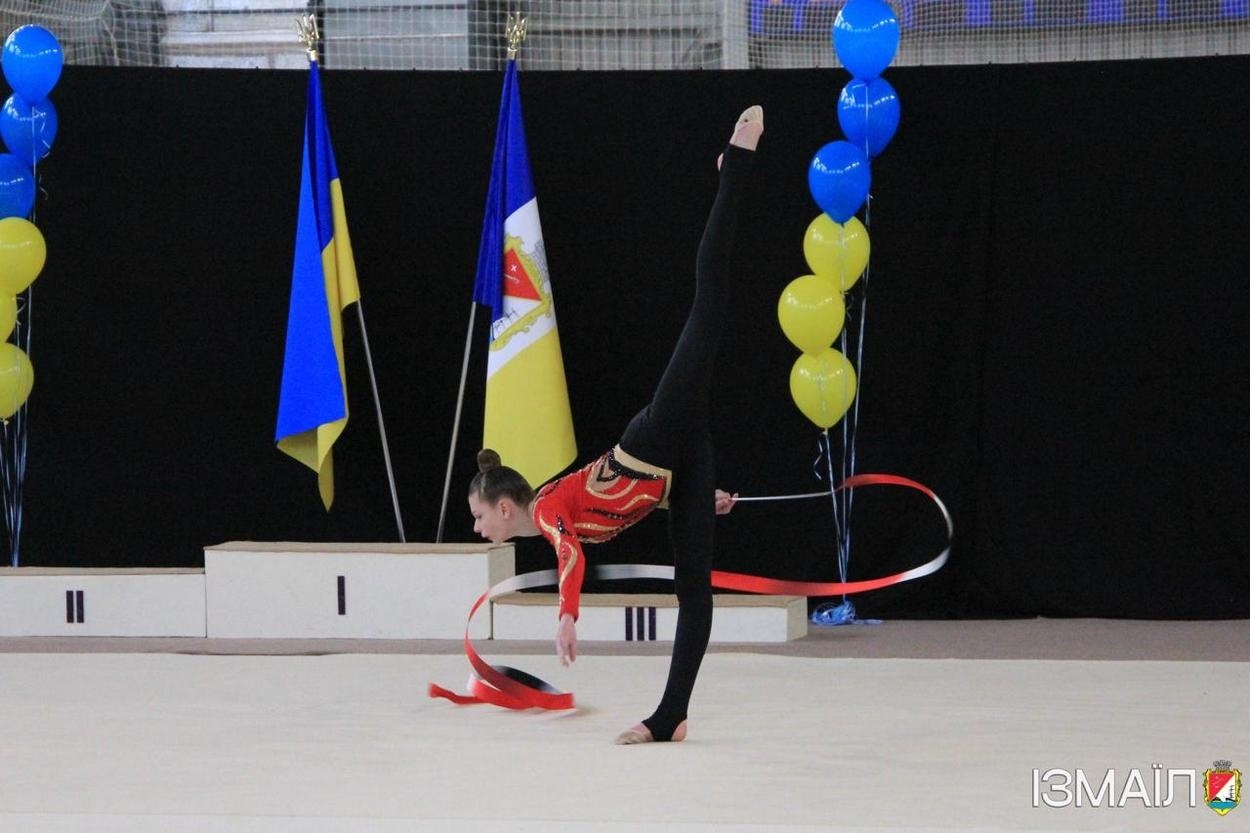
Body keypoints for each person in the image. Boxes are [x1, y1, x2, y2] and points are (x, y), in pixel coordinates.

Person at [467, 105, 764, 744]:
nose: (477, 525)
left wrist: (567, 616)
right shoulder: (554, 515)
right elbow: (618, 506)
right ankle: (672, 715)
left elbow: (573, 557)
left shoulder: (546, 513)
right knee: (696, 591)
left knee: (708, 308)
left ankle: (735, 169)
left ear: (504, 505)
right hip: (672, 472)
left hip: (656, 437)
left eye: (479, 514)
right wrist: (693, 498)